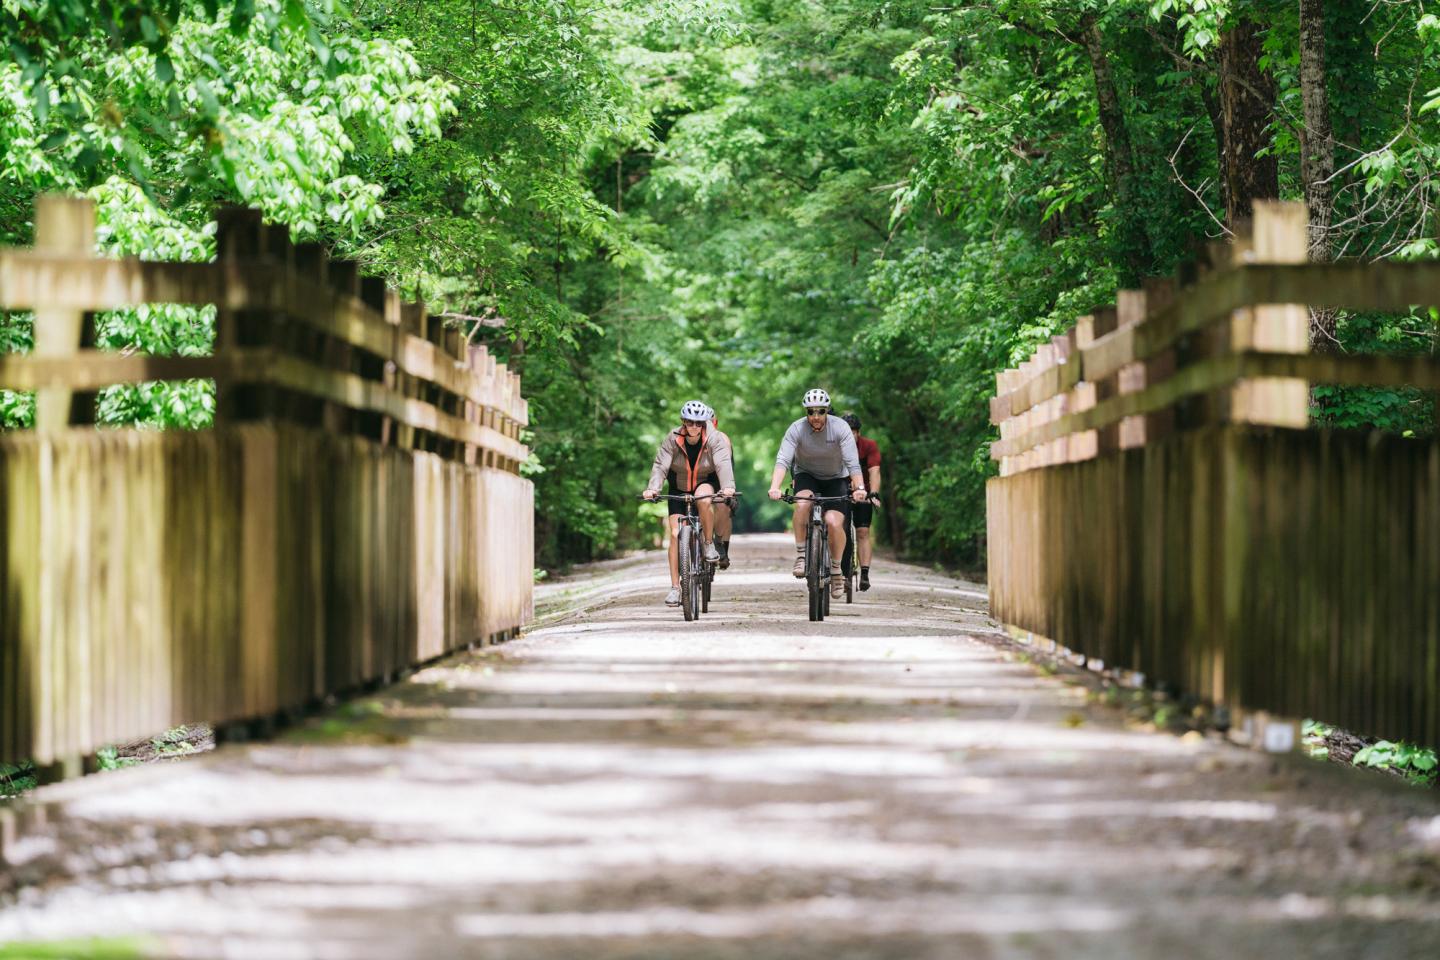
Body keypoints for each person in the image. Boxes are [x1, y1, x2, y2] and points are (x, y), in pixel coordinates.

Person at [768, 388, 867, 599]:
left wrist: (859, 489)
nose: (815, 417)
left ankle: (837, 570)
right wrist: (775, 487)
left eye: (820, 412)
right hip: (807, 475)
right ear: (806, 413)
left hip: (836, 478)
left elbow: (853, 463)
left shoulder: (840, 428)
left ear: (827, 411)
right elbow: (783, 460)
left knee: (833, 521)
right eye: (811, 412)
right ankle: (802, 555)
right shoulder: (796, 429)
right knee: (803, 503)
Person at [643, 400, 737, 606]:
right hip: (679, 487)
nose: (694, 427)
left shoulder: (715, 438)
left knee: (704, 499)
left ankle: (708, 544)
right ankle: (675, 588)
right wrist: (653, 488)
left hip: (705, 482)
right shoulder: (672, 438)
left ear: (704, 423)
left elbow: (722, 462)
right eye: (690, 422)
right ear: (683, 422)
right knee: (676, 534)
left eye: (698, 423)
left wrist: (728, 486)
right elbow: (660, 465)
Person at [841, 412, 881, 591]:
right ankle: (841, 571)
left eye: (854, 431)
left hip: (862, 492)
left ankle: (864, 573)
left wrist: (873, 493)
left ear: (858, 432)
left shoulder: (869, 446)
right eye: (847, 431)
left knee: (863, 531)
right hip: (841, 491)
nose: (851, 435)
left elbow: (874, 470)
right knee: (840, 531)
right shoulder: (836, 446)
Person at [709, 409, 736, 569]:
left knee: (724, 505)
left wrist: (727, 490)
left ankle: (722, 548)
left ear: (715, 423)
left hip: (721, 477)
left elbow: (724, 468)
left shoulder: (723, 439)